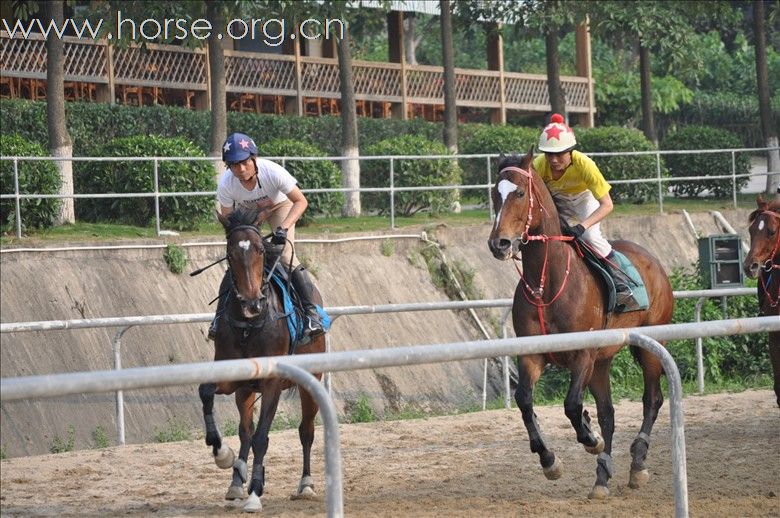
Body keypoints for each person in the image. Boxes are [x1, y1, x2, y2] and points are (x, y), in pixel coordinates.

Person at [208, 132, 324, 340]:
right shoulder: (226, 184)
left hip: (280, 206)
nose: (241, 170)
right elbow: (230, 223)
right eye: (234, 166)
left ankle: (311, 314)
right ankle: (218, 319)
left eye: (244, 163)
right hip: (249, 215)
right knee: (237, 260)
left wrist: (284, 228)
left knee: (285, 256)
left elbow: (301, 201)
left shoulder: (273, 172)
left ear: (254, 158)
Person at [533, 113, 636, 309]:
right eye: (548, 154)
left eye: (559, 153)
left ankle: (623, 285)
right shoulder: (539, 165)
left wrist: (582, 226)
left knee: (589, 237)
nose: (553, 160)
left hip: (584, 200)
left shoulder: (585, 164)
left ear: (571, 151)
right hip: (557, 202)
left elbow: (607, 204)